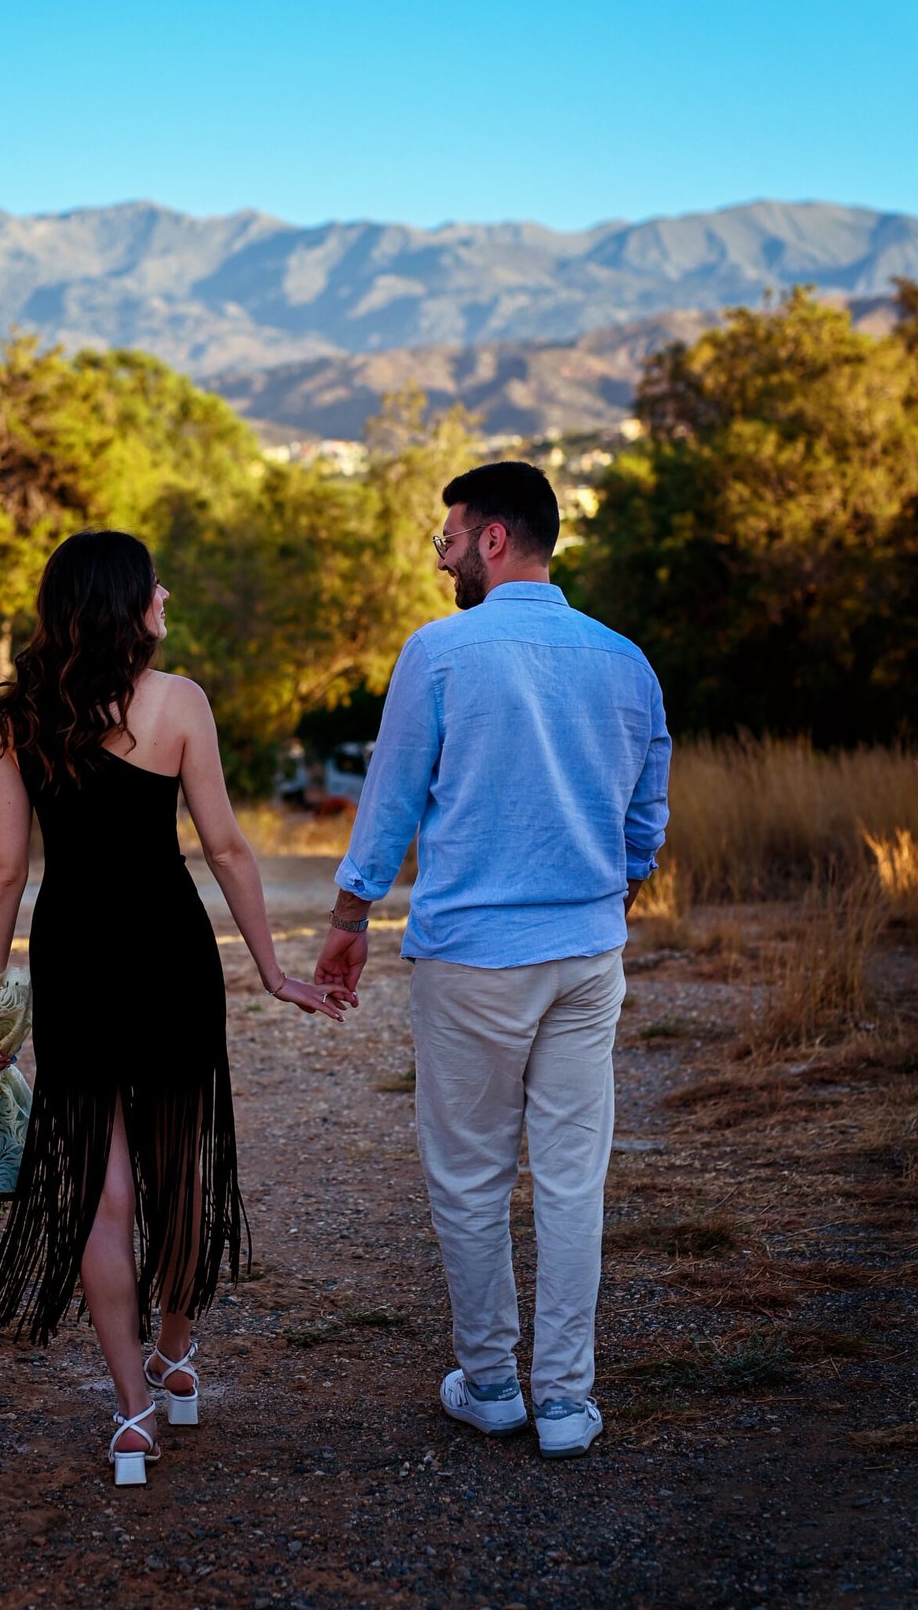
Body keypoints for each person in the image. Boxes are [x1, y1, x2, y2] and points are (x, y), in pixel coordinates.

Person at [0, 528, 345, 1485]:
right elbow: (227, 849)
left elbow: (5, 868)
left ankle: (134, 1412)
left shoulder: (18, 714)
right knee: (179, 1172)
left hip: (76, 957)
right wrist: (271, 970)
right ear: (124, 602)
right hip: (170, 954)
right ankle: (176, 1353)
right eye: (153, 585)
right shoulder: (179, 702)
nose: (165, 596)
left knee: (106, 1193)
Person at [314, 462, 669, 1460]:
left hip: (472, 958)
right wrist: (609, 890)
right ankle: (566, 1400)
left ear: (495, 539)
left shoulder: (440, 652)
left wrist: (350, 915)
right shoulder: (627, 661)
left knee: (471, 1176)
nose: (445, 559)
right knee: (571, 1179)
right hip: (586, 957)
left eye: (451, 539)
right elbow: (646, 818)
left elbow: (389, 799)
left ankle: (490, 1382)